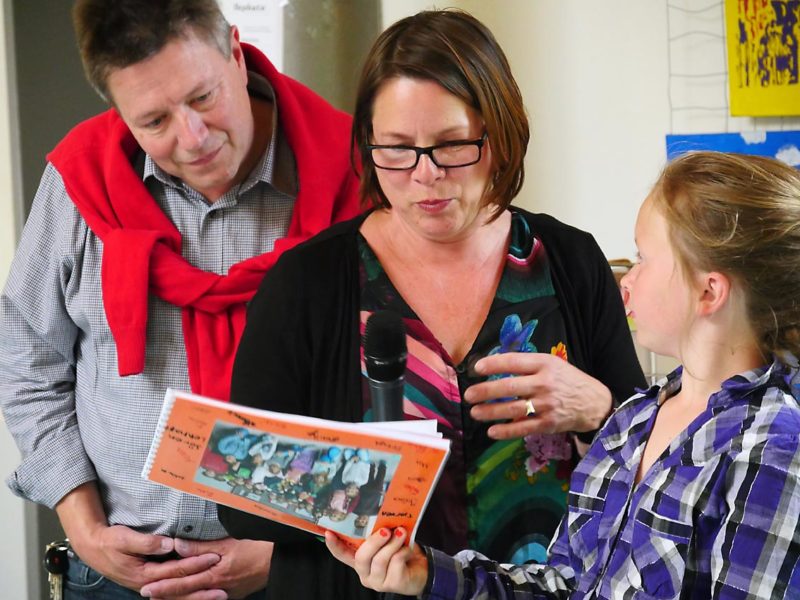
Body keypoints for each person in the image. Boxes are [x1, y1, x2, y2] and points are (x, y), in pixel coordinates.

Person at [218, 9, 644, 600]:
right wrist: (358, 491)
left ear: (499, 136)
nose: (424, 176)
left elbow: (656, 469)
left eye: (450, 146)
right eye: (395, 148)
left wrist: (598, 408)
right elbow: (239, 503)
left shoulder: (570, 262)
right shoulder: (306, 282)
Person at [0, 0, 361, 598]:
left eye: (203, 98)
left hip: (310, 571)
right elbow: (28, 363)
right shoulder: (76, 183)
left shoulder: (350, 174)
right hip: (117, 574)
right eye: (154, 121)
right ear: (117, 111)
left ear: (238, 56)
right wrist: (82, 525)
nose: (191, 139)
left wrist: (289, 548)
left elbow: (402, 391)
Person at [326, 150, 800, 599]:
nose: (627, 280)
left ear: (708, 291)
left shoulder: (774, 450)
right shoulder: (634, 420)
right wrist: (427, 573)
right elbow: (565, 586)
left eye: (642, 258)